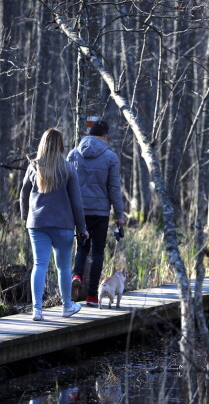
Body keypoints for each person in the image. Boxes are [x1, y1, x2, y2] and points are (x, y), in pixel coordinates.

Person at [20, 128, 88, 321]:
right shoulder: (67, 168)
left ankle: (37, 310)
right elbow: (76, 202)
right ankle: (67, 306)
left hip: (37, 223)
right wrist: (82, 228)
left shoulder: (34, 166)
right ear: (60, 144)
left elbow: (23, 194)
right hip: (63, 224)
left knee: (39, 265)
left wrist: (25, 217)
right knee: (64, 267)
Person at [68, 120, 126, 307]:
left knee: (82, 248)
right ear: (105, 136)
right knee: (98, 252)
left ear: (88, 133)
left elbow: (67, 184)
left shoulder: (73, 154)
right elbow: (114, 189)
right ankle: (93, 296)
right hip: (101, 212)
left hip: (80, 211)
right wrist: (119, 215)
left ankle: (76, 275)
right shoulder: (111, 157)